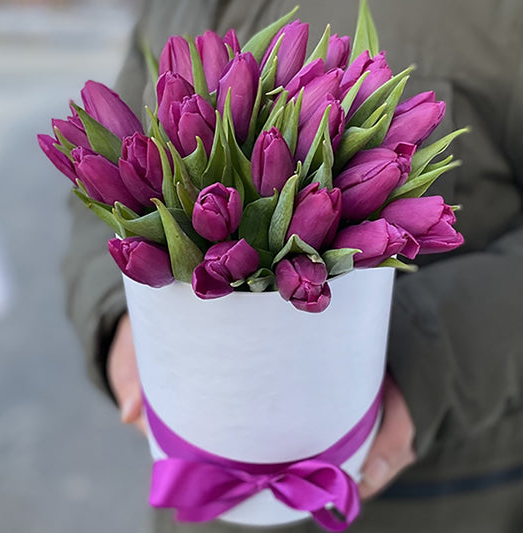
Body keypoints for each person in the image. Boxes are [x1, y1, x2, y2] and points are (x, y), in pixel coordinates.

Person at [62, 0, 523, 532]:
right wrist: (117, 315)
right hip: (200, 500)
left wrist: (429, 363)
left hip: (438, 495)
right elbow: (100, 182)